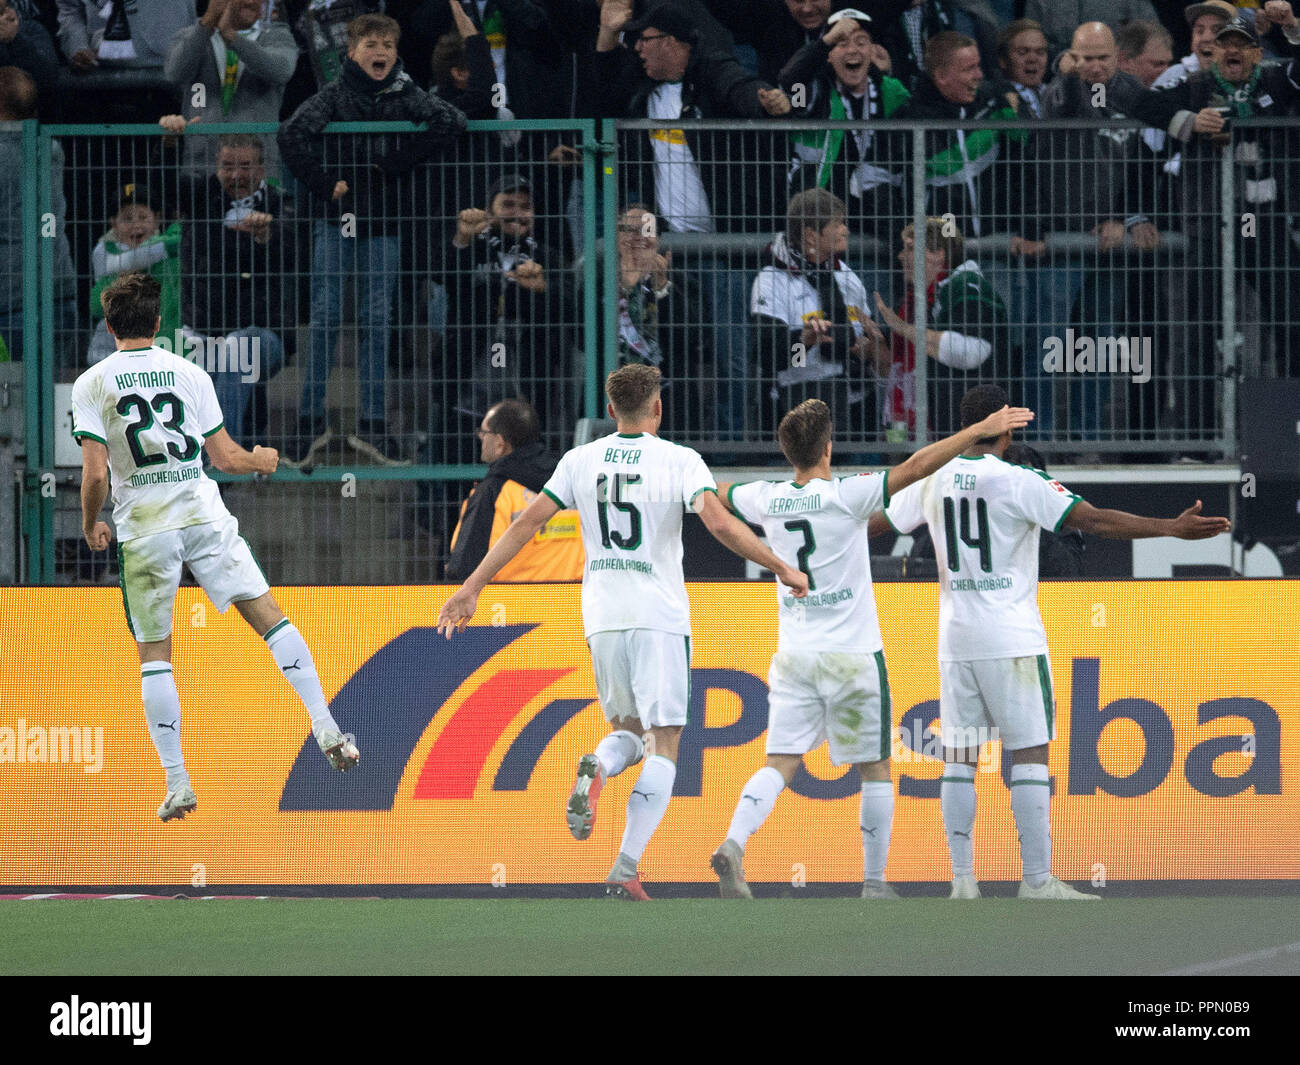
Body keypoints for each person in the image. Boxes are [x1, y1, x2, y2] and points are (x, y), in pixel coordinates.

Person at [436, 363, 810, 900]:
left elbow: (526, 524)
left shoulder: (579, 460)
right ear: (657, 407)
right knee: (665, 743)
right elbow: (719, 522)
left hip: (602, 616)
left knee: (629, 733)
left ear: (611, 410)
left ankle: (601, 765)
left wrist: (472, 587)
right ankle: (626, 866)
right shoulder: (679, 460)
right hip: (658, 615)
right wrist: (781, 566)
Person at [873, 383, 1230, 899]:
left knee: (959, 758)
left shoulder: (933, 478)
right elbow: (1097, 521)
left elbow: (875, 524)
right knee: (1030, 754)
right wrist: (1170, 528)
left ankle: (962, 881)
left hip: (955, 639)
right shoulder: (1020, 480)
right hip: (1012, 637)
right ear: (1006, 428)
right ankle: (1037, 880)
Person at [709, 395, 1034, 901]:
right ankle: (874, 883)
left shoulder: (765, 498)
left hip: (794, 655)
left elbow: (715, 493)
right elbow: (916, 466)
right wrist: (976, 431)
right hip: (853, 656)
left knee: (780, 761)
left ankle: (734, 841)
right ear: (828, 448)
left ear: (788, 451)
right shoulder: (848, 495)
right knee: (876, 767)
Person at [71, 273, 360, 823]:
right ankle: (325, 725)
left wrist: (90, 524)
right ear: (159, 322)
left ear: (109, 327)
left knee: (155, 654)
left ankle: (178, 782)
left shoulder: (92, 383)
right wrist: (262, 460)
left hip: (146, 527)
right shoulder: (190, 372)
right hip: (203, 514)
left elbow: (96, 475)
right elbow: (225, 458)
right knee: (270, 617)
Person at [595, 0, 792, 445]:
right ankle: (672, 445)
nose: (638, 48)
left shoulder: (709, 75)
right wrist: (607, 35)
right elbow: (600, 95)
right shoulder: (640, 88)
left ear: (673, 43)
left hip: (722, 249)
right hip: (669, 250)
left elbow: (739, 87)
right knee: (671, 353)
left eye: (645, 40)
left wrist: (765, 100)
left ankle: (730, 449)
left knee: (732, 354)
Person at [277, 11, 467, 466]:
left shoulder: (406, 92)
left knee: (377, 320)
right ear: (351, 52)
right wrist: (325, 184)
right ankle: (309, 422)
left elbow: (453, 121)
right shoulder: (334, 94)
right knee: (325, 316)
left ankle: (374, 425)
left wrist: (397, 162)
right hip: (334, 220)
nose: (380, 51)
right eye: (371, 44)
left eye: (387, 44)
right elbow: (290, 135)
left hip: (384, 224)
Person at [179, 133, 300, 444]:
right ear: (217, 167)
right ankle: (221, 454)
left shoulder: (281, 203)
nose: (236, 175)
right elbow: (161, 187)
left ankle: (221, 456)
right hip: (202, 332)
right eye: (227, 166)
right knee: (202, 363)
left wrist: (267, 237)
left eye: (245, 166)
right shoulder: (200, 197)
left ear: (262, 169)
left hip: (265, 333)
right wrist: (169, 145)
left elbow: (295, 251)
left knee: (236, 348)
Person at [448, 172, 572, 453]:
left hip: (529, 375)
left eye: (526, 206)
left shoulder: (547, 256)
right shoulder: (472, 248)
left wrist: (543, 288)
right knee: (462, 451)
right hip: (469, 372)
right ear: (489, 211)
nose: (518, 213)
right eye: (508, 205)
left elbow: (570, 307)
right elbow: (443, 279)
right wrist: (462, 239)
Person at [751, 187, 884, 434]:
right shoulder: (771, 280)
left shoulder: (845, 274)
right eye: (838, 224)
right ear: (811, 235)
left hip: (854, 399)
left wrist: (866, 346)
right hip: (799, 404)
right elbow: (767, 356)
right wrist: (805, 341)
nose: (846, 230)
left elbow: (866, 335)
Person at [867, 217, 1007, 438]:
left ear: (938, 254)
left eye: (910, 248)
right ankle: (902, 446)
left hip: (968, 430)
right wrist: (874, 342)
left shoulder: (966, 286)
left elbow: (973, 351)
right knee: (902, 455)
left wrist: (904, 329)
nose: (901, 256)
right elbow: (894, 372)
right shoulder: (914, 301)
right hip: (936, 424)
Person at [779, 9, 910, 241]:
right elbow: (790, 80)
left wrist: (891, 70)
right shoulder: (812, 92)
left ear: (872, 50)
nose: (852, 50)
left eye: (861, 42)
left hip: (878, 214)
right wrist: (824, 42)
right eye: (841, 43)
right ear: (828, 55)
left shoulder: (891, 90)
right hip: (821, 214)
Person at [445, 398, 583, 581]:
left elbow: (465, 566)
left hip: (513, 597)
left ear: (500, 442)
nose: (481, 438)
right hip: (574, 595)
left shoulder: (494, 492)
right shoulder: (568, 481)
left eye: (484, 432)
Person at [158, 0, 299, 177]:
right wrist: (205, 27)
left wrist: (232, 37)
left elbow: (281, 71)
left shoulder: (277, 36)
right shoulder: (189, 36)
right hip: (202, 167)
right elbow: (175, 73)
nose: (251, 1)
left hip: (258, 168)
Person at [86, 186, 181, 366]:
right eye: (127, 219)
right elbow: (96, 306)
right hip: (123, 342)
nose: (136, 224)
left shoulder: (171, 258)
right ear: (114, 224)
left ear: (157, 219)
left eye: (143, 217)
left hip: (166, 341)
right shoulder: (106, 256)